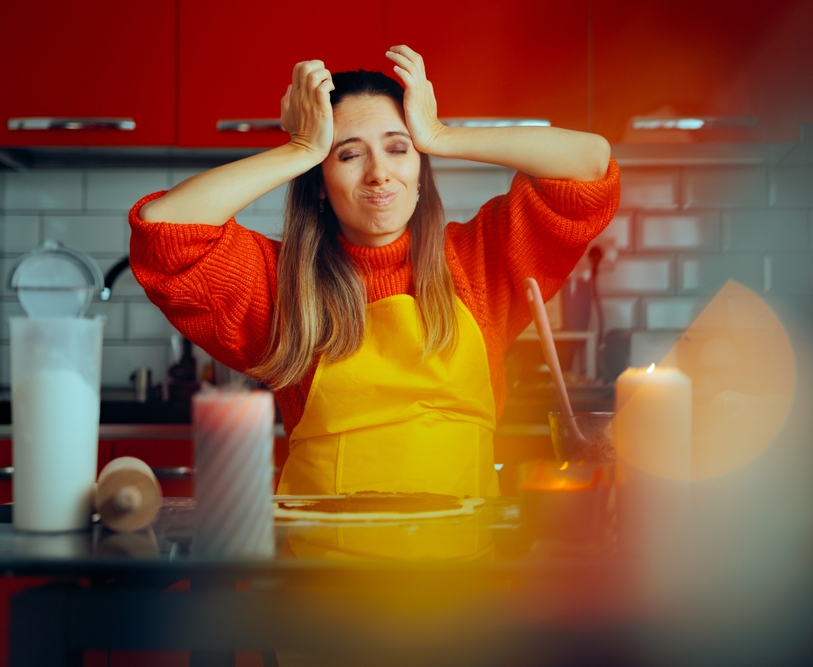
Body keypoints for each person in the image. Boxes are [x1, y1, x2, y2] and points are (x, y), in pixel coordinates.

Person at [129, 46, 620, 499]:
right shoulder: (283, 284)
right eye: (347, 153)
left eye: (398, 148)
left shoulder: (480, 261)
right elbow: (162, 232)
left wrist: (441, 135)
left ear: (421, 170)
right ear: (320, 183)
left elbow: (591, 165)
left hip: (461, 573)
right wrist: (299, 148)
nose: (379, 173)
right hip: (321, 574)